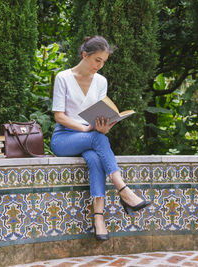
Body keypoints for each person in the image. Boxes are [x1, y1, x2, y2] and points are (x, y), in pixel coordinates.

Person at [50, 35, 151, 241]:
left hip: (90, 137)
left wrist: (103, 127)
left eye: (104, 61)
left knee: (96, 158)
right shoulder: (63, 77)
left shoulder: (101, 82)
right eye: (98, 60)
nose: (100, 65)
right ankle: (123, 189)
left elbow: (99, 116)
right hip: (64, 139)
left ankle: (99, 218)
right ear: (85, 55)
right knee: (97, 139)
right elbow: (59, 115)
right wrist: (86, 129)